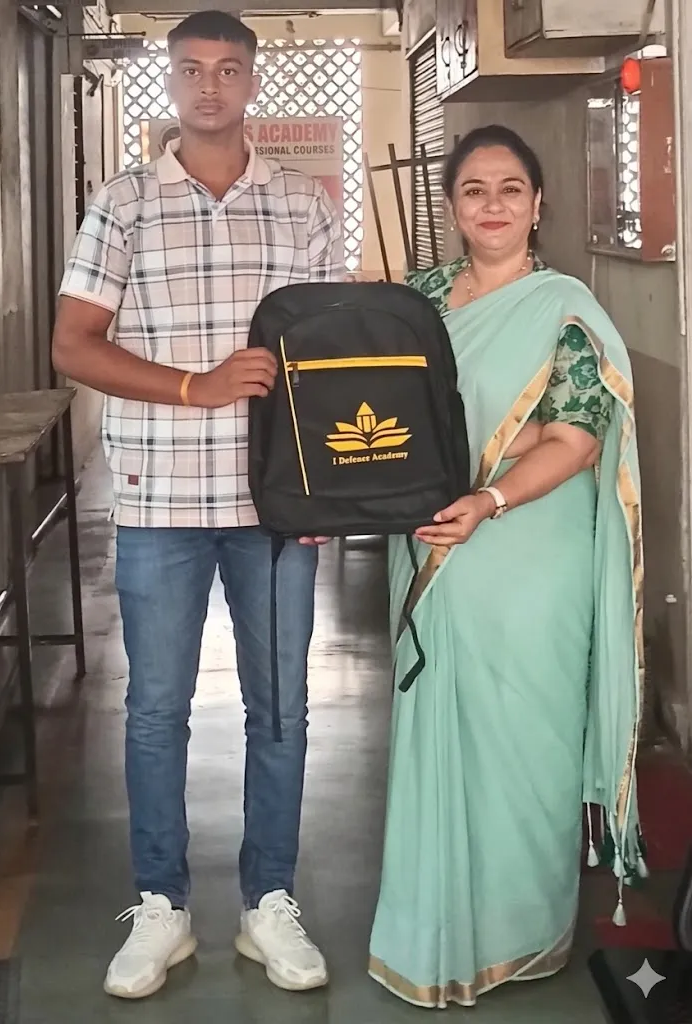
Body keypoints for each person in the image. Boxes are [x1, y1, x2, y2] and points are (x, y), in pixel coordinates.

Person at [52, 10, 342, 1000]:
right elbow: (73, 343)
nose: (210, 86)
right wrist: (192, 386)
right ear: (168, 81)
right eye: (191, 69)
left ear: (252, 80)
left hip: (272, 506)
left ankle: (270, 900)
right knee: (154, 712)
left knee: (282, 711)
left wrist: (323, 484)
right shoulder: (123, 203)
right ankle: (160, 905)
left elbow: (328, 360)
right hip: (159, 497)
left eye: (227, 69)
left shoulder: (299, 202)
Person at [368, 125, 645, 1008]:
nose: (491, 204)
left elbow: (573, 437)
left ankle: (525, 933)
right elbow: (378, 412)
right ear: (451, 207)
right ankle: (431, 934)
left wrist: (488, 495)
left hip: (524, 552)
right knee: (435, 730)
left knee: (526, 737)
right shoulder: (419, 299)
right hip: (431, 539)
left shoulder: (563, 309)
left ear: (538, 204)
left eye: (509, 188)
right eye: (473, 190)